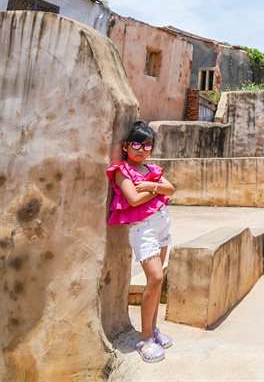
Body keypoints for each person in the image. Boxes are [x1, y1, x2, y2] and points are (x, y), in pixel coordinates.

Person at [107, 120, 176, 364]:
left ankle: (154, 330)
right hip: (142, 229)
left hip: (161, 224)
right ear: (126, 145)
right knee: (155, 278)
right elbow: (134, 199)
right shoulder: (121, 170)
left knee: (158, 281)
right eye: (136, 144)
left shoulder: (151, 170)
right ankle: (144, 338)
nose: (141, 149)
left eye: (147, 145)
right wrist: (156, 188)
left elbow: (171, 189)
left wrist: (152, 185)